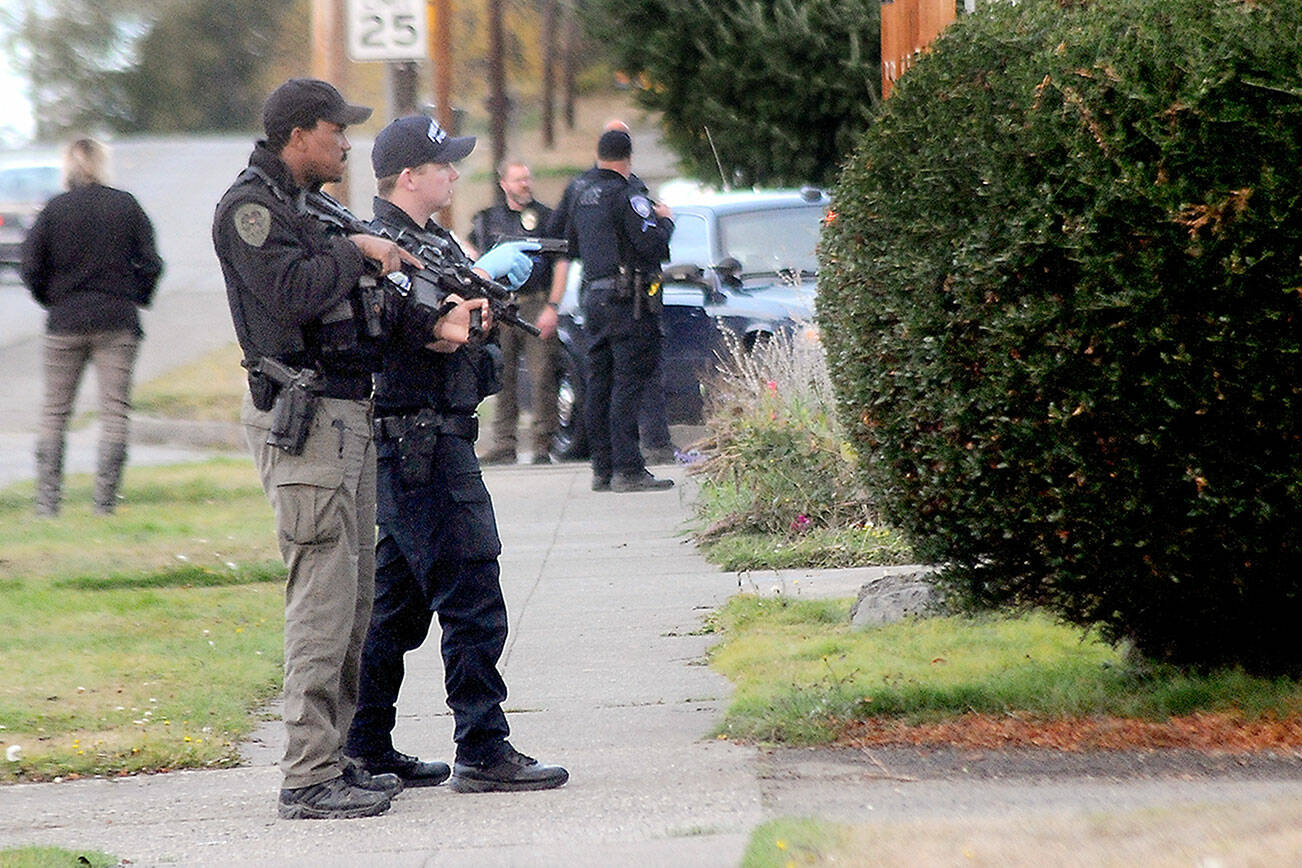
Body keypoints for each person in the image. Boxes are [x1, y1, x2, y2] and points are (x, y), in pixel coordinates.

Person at [212, 79, 481, 820]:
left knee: (355, 599)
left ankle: (339, 759)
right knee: (322, 602)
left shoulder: (311, 207)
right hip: (301, 419)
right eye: (336, 131)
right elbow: (294, 294)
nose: (346, 144)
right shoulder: (252, 210)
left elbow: (361, 295)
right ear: (298, 134)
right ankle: (305, 775)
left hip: (344, 413)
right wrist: (358, 249)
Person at [344, 115, 569, 794]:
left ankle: (367, 744)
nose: (455, 174)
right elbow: (436, 331)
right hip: (422, 442)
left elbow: (461, 318)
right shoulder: (383, 247)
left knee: (398, 608)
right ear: (409, 176)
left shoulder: (430, 238)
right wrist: (474, 304)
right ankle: (482, 746)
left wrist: (481, 294)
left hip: (433, 436)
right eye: (444, 165)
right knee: (472, 592)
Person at [21, 137, 163, 517]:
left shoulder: (54, 210)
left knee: (55, 412)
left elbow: (30, 265)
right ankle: (104, 504)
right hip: (117, 322)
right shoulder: (126, 206)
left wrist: (52, 298)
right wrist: (134, 296)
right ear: (103, 163)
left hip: (64, 323)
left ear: (68, 165)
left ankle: (47, 503)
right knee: (115, 412)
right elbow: (151, 263)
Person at [545, 127, 675, 492]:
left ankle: (602, 468)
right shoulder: (627, 195)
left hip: (594, 299)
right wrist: (665, 219)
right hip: (627, 301)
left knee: (599, 382)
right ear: (627, 159)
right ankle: (628, 468)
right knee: (628, 382)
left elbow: (559, 240)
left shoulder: (578, 192)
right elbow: (651, 245)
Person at [469, 160, 558, 465]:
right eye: (518, 179)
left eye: (528, 178)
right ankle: (504, 443)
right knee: (501, 373)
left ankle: (543, 443)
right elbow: (470, 248)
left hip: (535, 301)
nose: (525, 184)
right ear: (503, 183)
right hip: (501, 301)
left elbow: (561, 262)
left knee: (543, 374)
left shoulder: (546, 217)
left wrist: (553, 306)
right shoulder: (488, 218)